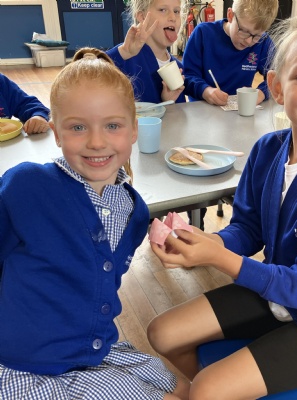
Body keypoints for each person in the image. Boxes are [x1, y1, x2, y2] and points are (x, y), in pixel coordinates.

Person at [147, 8, 297, 399]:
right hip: (278, 290)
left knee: (208, 389)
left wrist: (218, 258)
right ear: (276, 86)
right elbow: (249, 228)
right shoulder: (266, 150)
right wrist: (208, 243)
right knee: (162, 333)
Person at [0, 47, 189, 400]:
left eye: (112, 126)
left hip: (93, 348)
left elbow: (101, 280)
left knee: (184, 390)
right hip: (26, 366)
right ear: (56, 133)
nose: (97, 142)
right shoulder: (26, 187)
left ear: (134, 130)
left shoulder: (134, 211)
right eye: (77, 127)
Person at [182, 0, 278, 106]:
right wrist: (205, 91)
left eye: (257, 36)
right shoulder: (203, 34)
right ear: (230, 15)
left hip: (239, 111)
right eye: (244, 31)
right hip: (201, 109)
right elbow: (186, 78)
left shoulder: (263, 42)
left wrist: (262, 93)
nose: (249, 41)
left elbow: (279, 75)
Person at [107, 0, 186, 104]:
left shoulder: (178, 68)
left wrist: (167, 101)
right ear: (142, 16)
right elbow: (89, 71)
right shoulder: (125, 57)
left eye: (176, 11)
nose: (173, 18)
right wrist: (123, 52)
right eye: (163, 10)